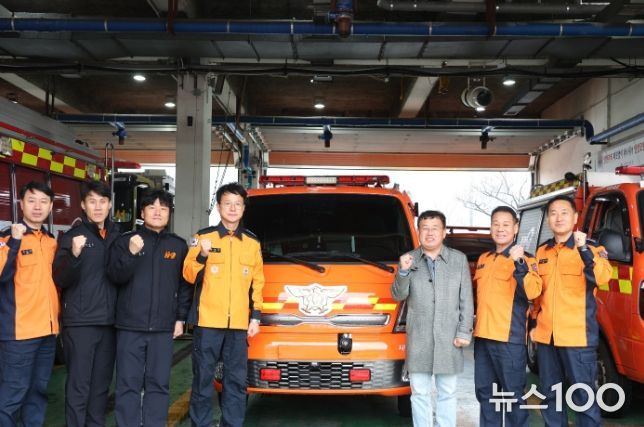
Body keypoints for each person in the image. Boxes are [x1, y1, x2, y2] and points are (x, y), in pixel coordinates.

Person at [107, 189, 192, 427]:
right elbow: (114, 276)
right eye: (152, 207)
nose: (157, 212)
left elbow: (185, 285)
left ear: (169, 214)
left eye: (163, 208)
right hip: (129, 326)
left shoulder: (178, 246)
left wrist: (180, 318)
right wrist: (131, 253)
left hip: (163, 327)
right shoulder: (125, 241)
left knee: (158, 384)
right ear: (142, 212)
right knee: (128, 384)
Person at [183, 182, 264, 427]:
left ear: (243, 208)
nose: (233, 208)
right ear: (218, 207)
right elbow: (188, 274)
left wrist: (255, 316)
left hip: (238, 326)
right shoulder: (202, 237)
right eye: (227, 203)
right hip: (208, 323)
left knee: (236, 382)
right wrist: (202, 255)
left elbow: (258, 281)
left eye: (238, 204)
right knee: (202, 381)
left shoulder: (252, 242)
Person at [532, 195, 612, 426]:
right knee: (551, 396)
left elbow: (602, 277)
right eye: (553, 213)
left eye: (564, 212)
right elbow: (537, 294)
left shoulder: (592, 248)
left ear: (575, 217)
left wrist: (583, 249)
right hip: (547, 338)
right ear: (548, 219)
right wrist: (534, 324)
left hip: (578, 338)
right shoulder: (542, 251)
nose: (558, 218)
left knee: (583, 397)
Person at [391, 210, 474, 427]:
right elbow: (398, 295)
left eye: (435, 228)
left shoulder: (458, 259)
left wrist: (464, 331)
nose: (430, 233)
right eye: (425, 228)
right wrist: (403, 272)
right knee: (419, 393)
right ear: (418, 232)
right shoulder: (408, 259)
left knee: (448, 392)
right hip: (419, 338)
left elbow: (466, 298)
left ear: (444, 232)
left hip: (449, 338)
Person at [53, 181, 120, 427]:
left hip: (109, 323)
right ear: (83, 205)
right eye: (92, 201)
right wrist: (74, 255)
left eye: (103, 201)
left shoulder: (117, 236)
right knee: (79, 387)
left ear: (110, 204)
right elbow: (60, 278)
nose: (98, 207)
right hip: (81, 323)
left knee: (100, 388)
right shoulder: (72, 237)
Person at [473, 206, 542, 427]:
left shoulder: (526, 260)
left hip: (509, 340)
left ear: (516, 228)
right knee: (486, 395)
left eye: (506, 224)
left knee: (513, 397)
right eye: (496, 224)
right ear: (490, 227)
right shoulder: (484, 259)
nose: (500, 229)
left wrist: (518, 262)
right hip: (483, 339)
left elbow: (533, 291)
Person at [0, 181, 57, 426]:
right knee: (12, 395)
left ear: (51, 207)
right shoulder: (6, 238)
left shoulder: (50, 240)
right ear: (21, 204)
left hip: (47, 332)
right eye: (31, 201)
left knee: (37, 394)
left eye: (43, 202)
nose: (37, 207)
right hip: (19, 334)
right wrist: (14, 242)